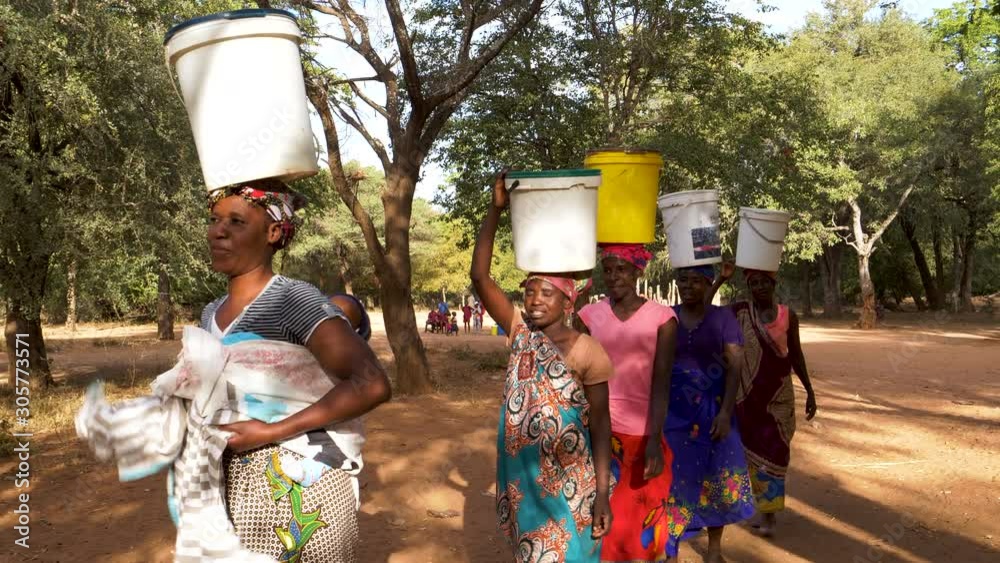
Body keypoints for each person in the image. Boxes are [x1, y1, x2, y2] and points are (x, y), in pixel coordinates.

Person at [204, 180, 392, 561]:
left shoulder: (292, 299)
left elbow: (372, 384)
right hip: (236, 483)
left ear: (273, 232)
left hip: (305, 481)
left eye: (236, 221)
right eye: (214, 219)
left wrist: (271, 431)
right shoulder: (211, 312)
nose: (218, 231)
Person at [471, 172, 615, 562]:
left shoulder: (589, 352)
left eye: (545, 293)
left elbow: (601, 425)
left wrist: (602, 492)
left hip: (573, 485)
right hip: (526, 484)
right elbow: (479, 277)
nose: (534, 300)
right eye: (529, 292)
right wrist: (495, 209)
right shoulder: (520, 334)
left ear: (567, 302)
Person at [574, 244, 678, 563]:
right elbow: (577, 374)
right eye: (607, 269)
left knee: (644, 524)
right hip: (600, 434)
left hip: (642, 434)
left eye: (621, 269)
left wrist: (653, 441)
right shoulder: (589, 316)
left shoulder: (663, 318)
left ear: (637, 271)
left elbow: (661, 383)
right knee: (604, 527)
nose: (613, 277)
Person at [706, 262, 817, 536]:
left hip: (779, 397)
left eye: (763, 283)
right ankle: (763, 512)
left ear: (773, 285)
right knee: (753, 454)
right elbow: (707, 311)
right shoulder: (740, 312)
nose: (758, 288)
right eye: (753, 284)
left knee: (776, 453)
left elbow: (796, 355)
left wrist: (810, 391)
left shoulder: (788, 316)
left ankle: (769, 514)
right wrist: (721, 278)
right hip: (748, 398)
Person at [663, 265, 755, 563]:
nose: (686, 286)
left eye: (694, 281)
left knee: (716, 478)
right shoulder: (668, 317)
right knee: (672, 481)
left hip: (712, 410)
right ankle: (671, 550)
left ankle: (714, 550)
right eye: (682, 280)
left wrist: (726, 412)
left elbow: (735, 366)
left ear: (706, 283)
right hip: (674, 413)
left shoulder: (722, 319)